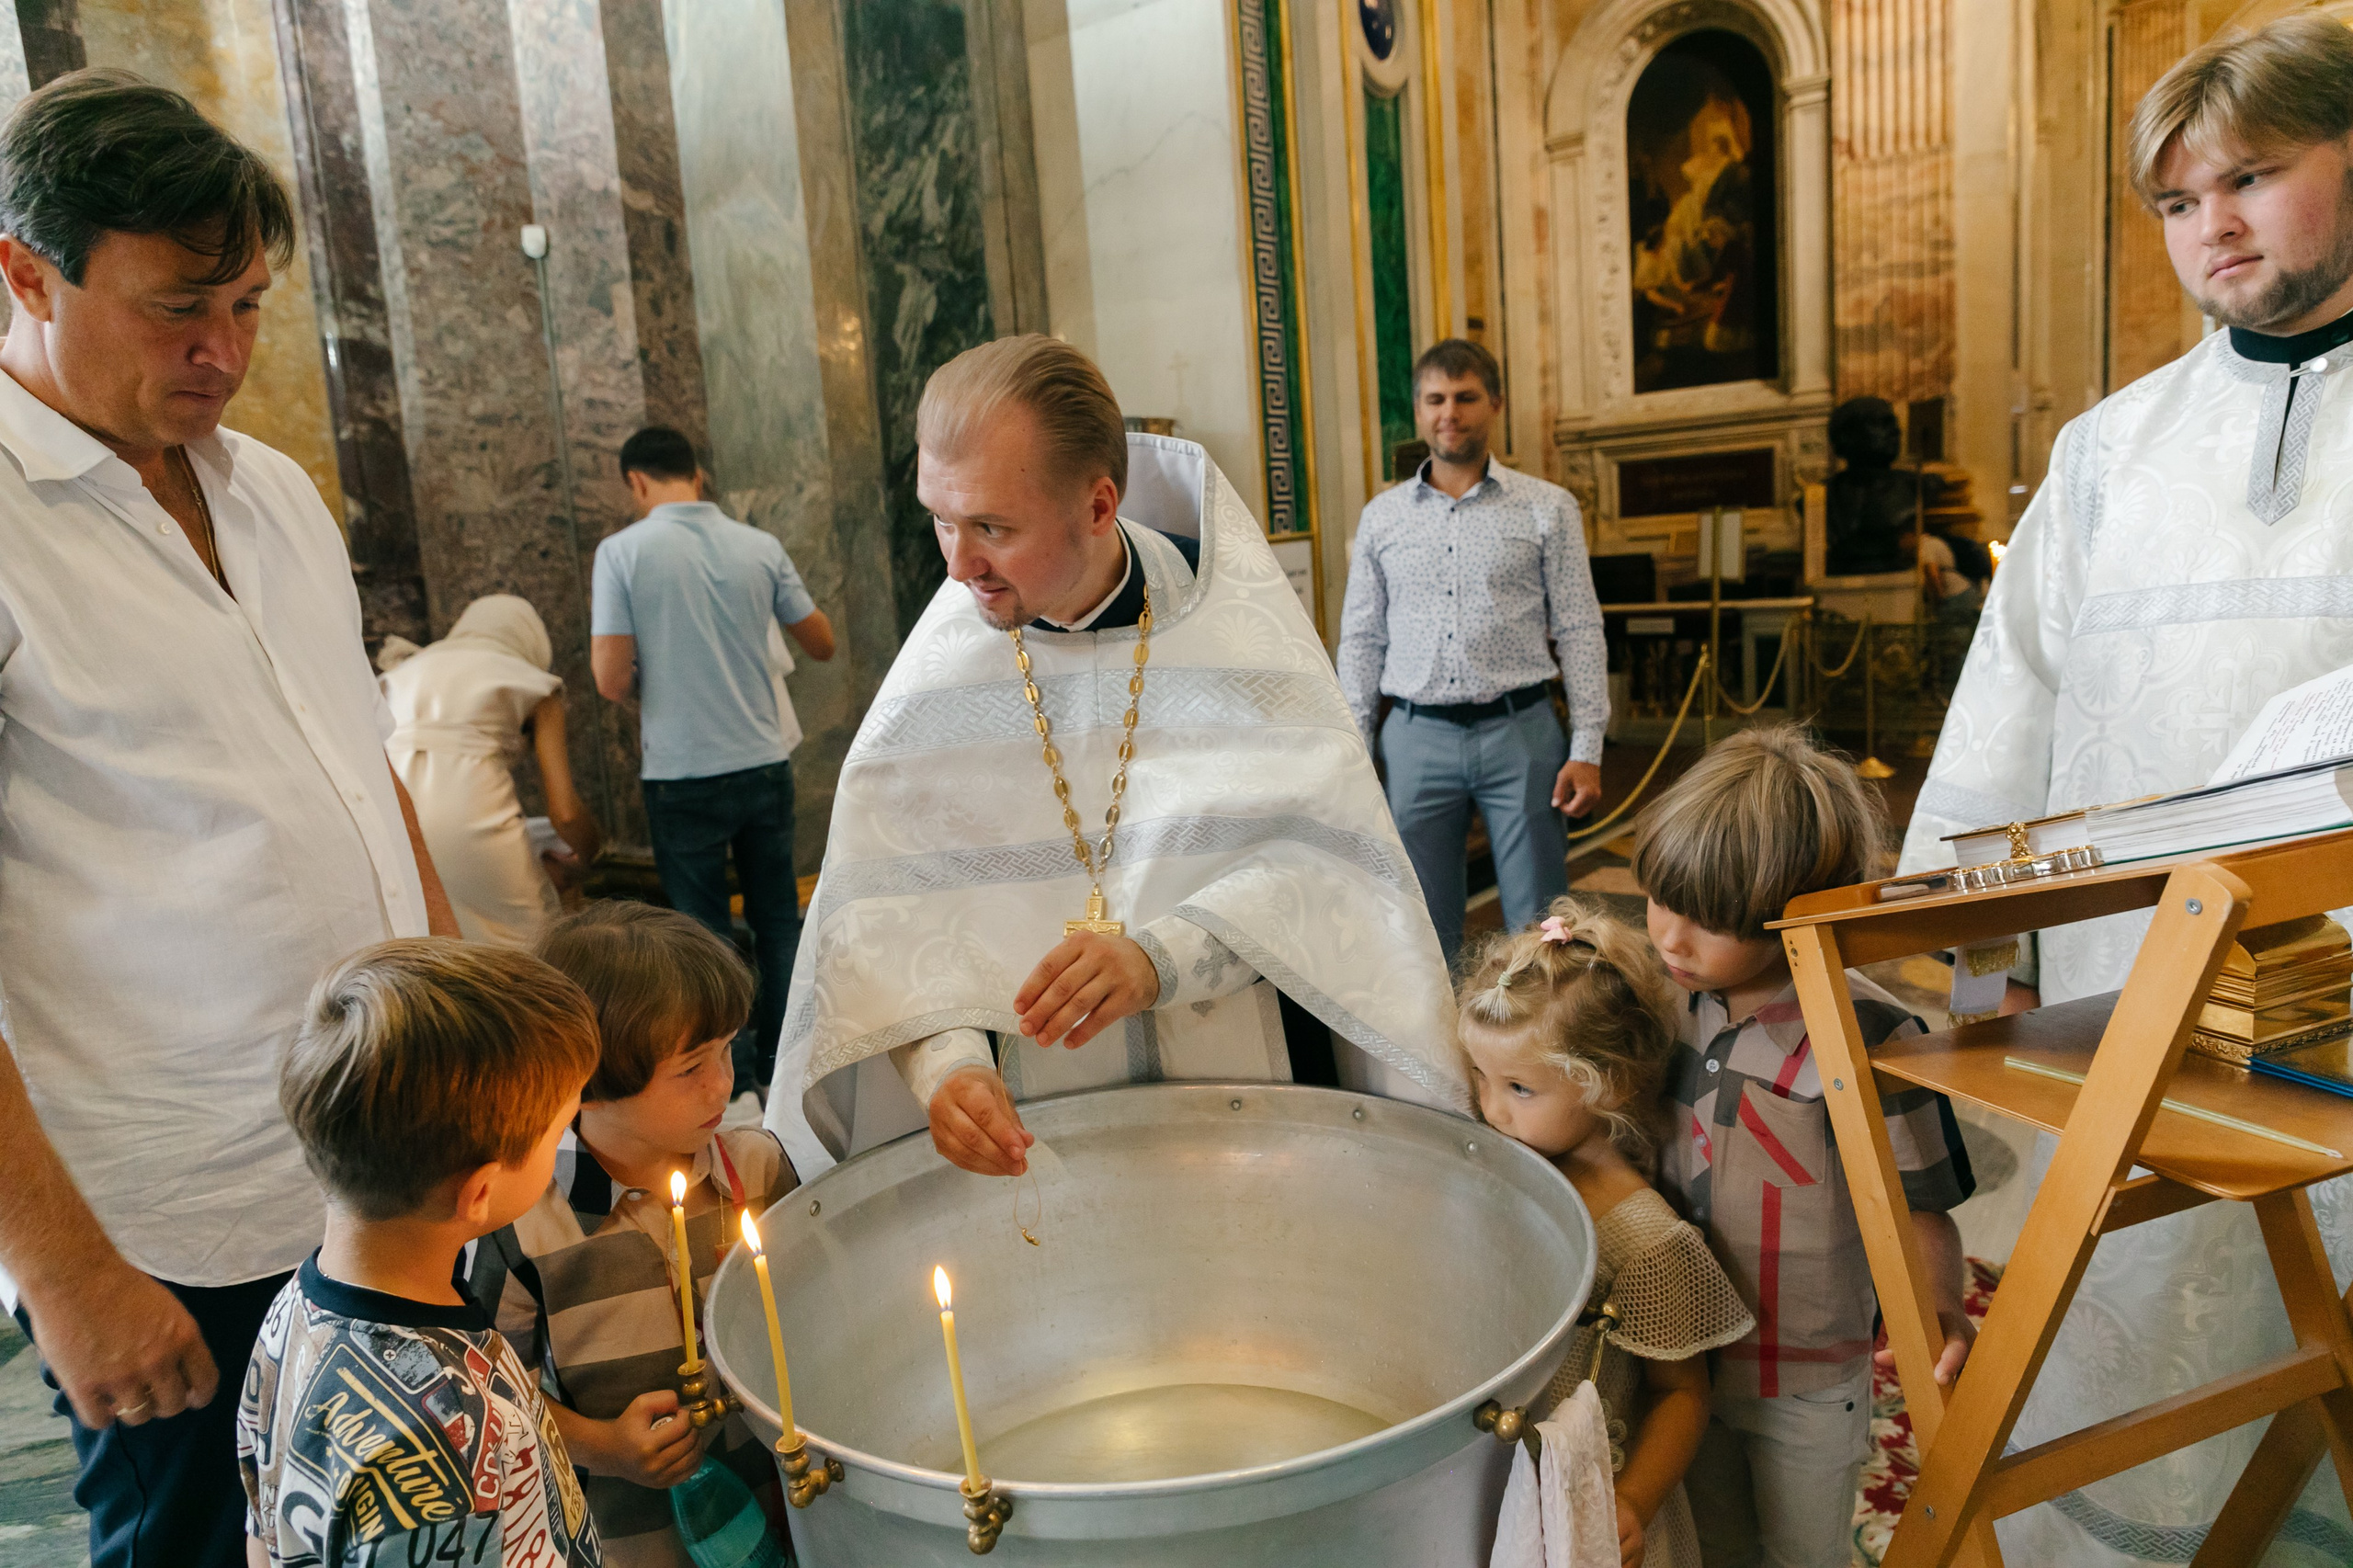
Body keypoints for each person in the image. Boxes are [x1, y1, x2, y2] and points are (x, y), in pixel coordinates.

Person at [1893, 17, 2353, 1562]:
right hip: (2126, 1000)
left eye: (2253, 178)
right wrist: (1946, 951)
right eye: (2175, 200)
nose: (2212, 226)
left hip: (2340, 1012)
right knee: (2145, 1368)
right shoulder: (2108, 453)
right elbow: (2006, 709)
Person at [0, 69, 458, 1568]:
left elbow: (360, 762)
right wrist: (63, 1273)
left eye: (251, 304)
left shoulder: (270, 490)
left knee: (413, 1515)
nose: (224, 352)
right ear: (23, 273)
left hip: (389, 1145)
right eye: (176, 308)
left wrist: (467, 1022)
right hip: (171, 1219)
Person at [767, 333, 1468, 1180]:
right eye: (940, 520)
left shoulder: (1244, 647)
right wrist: (948, 1066)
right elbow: (884, 923)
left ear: (1099, 507)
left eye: (992, 526)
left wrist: (1160, 960)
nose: (958, 567)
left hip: (1242, 1114)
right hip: (1041, 1144)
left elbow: (1334, 885)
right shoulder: (935, 676)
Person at [1632, 727, 1976, 1568]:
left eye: (1706, 921)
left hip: (1809, 1375)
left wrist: (1937, 1314)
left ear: (1800, 914)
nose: (1671, 939)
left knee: (1800, 1548)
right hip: (1685, 1358)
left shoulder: (1868, 1036)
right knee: (1711, 1538)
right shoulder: (1667, 1000)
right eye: (1659, 900)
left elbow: (1919, 1204)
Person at [239, 938, 602, 1567]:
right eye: (558, 1129)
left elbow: (264, 1534)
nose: (563, 1145)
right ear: (480, 1193)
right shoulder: (443, 1436)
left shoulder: (291, 1308)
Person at [470, 902, 798, 1566]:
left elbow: (814, 1314)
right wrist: (602, 1445)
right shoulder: (526, 1224)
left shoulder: (758, 1170)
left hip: (782, 1505)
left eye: (727, 1050)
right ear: (583, 1082)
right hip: (631, 1537)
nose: (723, 1084)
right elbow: (489, 1395)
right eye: (690, 1068)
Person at [1460, 899, 1754, 1568]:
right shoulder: (1517, 1163)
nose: (1491, 1108)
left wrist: (1636, 1503)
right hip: (1504, 1491)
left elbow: (1682, 1393)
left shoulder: (1645, 1238)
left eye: (1519, 1088)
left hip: (1589, 1505)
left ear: (1608, 1087)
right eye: (1480, 1075)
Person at [1336, 337, 1609, 967]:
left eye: (1465, 398)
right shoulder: (1382, 518)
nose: (1449, 413)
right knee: (1422, 923)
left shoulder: (1548, 508)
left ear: (1495, 404)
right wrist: (1355, 746)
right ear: (1419, 409)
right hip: (1414, 737)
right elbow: (1362, 639)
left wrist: (1588, 748)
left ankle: (1540, 1052)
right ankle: (1442, 1058)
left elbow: (1578, 627)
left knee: (1543, 923)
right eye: (1435, 399)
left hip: (1521, 732)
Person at [592, 426, 835, 1094]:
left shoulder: (621, 553)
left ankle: (730, 1077)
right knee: (778, 921)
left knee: (701, 936)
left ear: (636, 483)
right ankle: (790, 1068)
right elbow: (821, 641)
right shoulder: (759, 547)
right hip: (761, 759)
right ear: (697, 476)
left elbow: (609, 679)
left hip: (680, 772)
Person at [381, 594, 604, 946]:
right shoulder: (531, 682)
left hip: (399, 835)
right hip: (480, 839)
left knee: (447, 955)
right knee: (532, 950)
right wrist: (593, 856)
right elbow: (565, 813)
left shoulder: (401, 674)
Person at [1820, 396, 1915, 576]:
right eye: (1882, 423)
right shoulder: (1819, 497)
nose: (1895, 432)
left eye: (1893, 423)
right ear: (1846, 435)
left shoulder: (1917, 486)